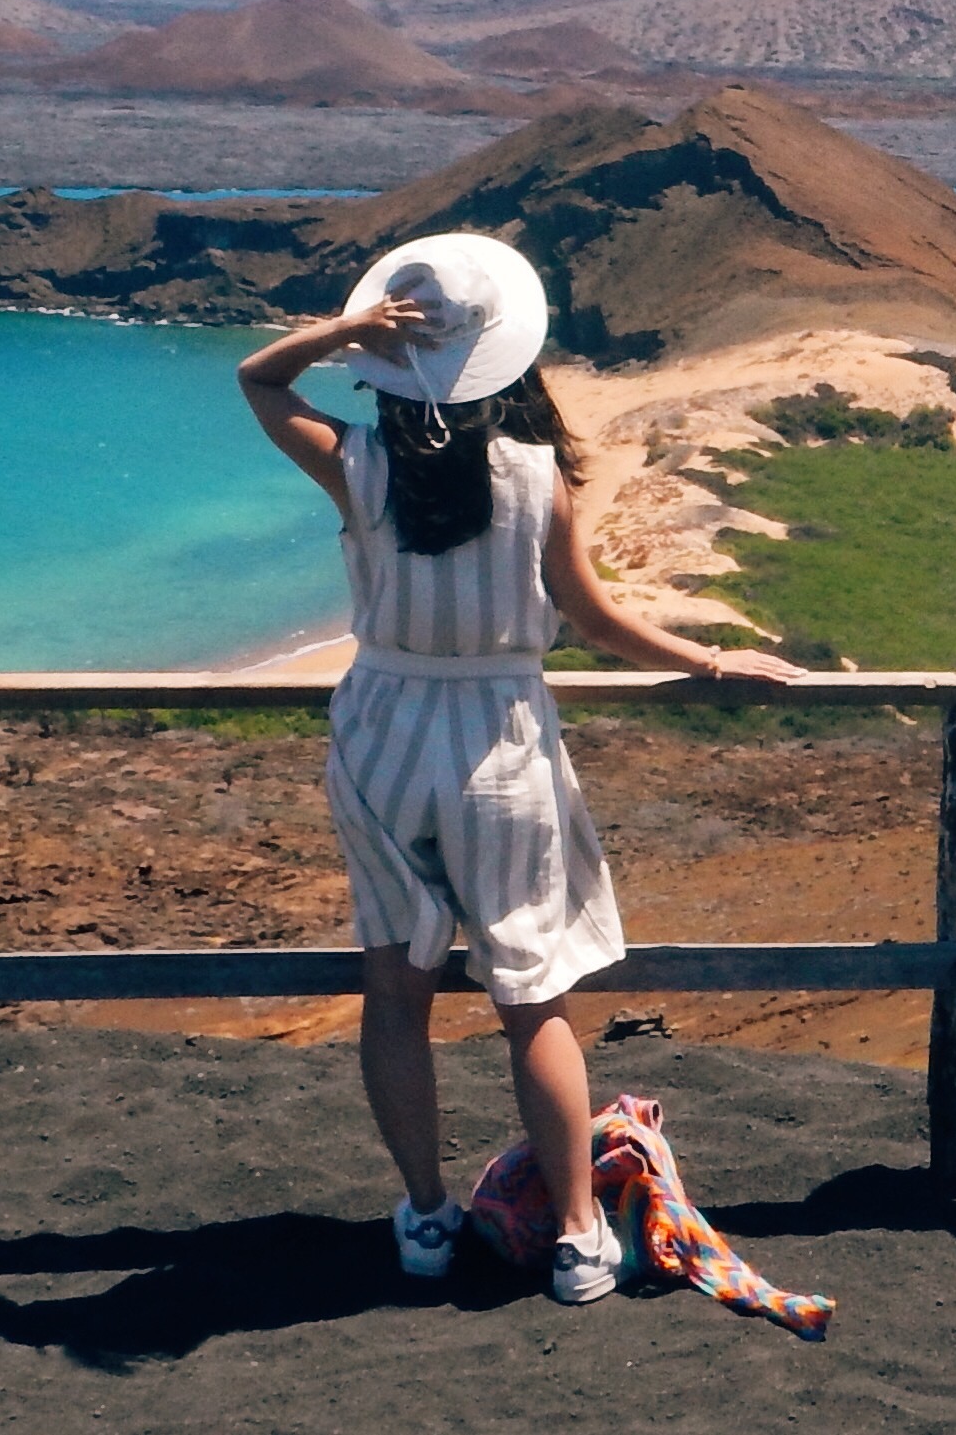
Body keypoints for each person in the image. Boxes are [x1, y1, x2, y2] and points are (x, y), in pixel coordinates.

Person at [235, 231, 797, 1305]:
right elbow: (596, 619)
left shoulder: (356, 465)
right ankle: (579, 1236)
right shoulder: (538, 477)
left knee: (395, 993)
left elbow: (258, 377)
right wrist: (711, 659)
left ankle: (426, 1217)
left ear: (388, 365)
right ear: (497, 361)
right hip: (501, 740)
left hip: (382, 734)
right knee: (532, 998)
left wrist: (347, 331)